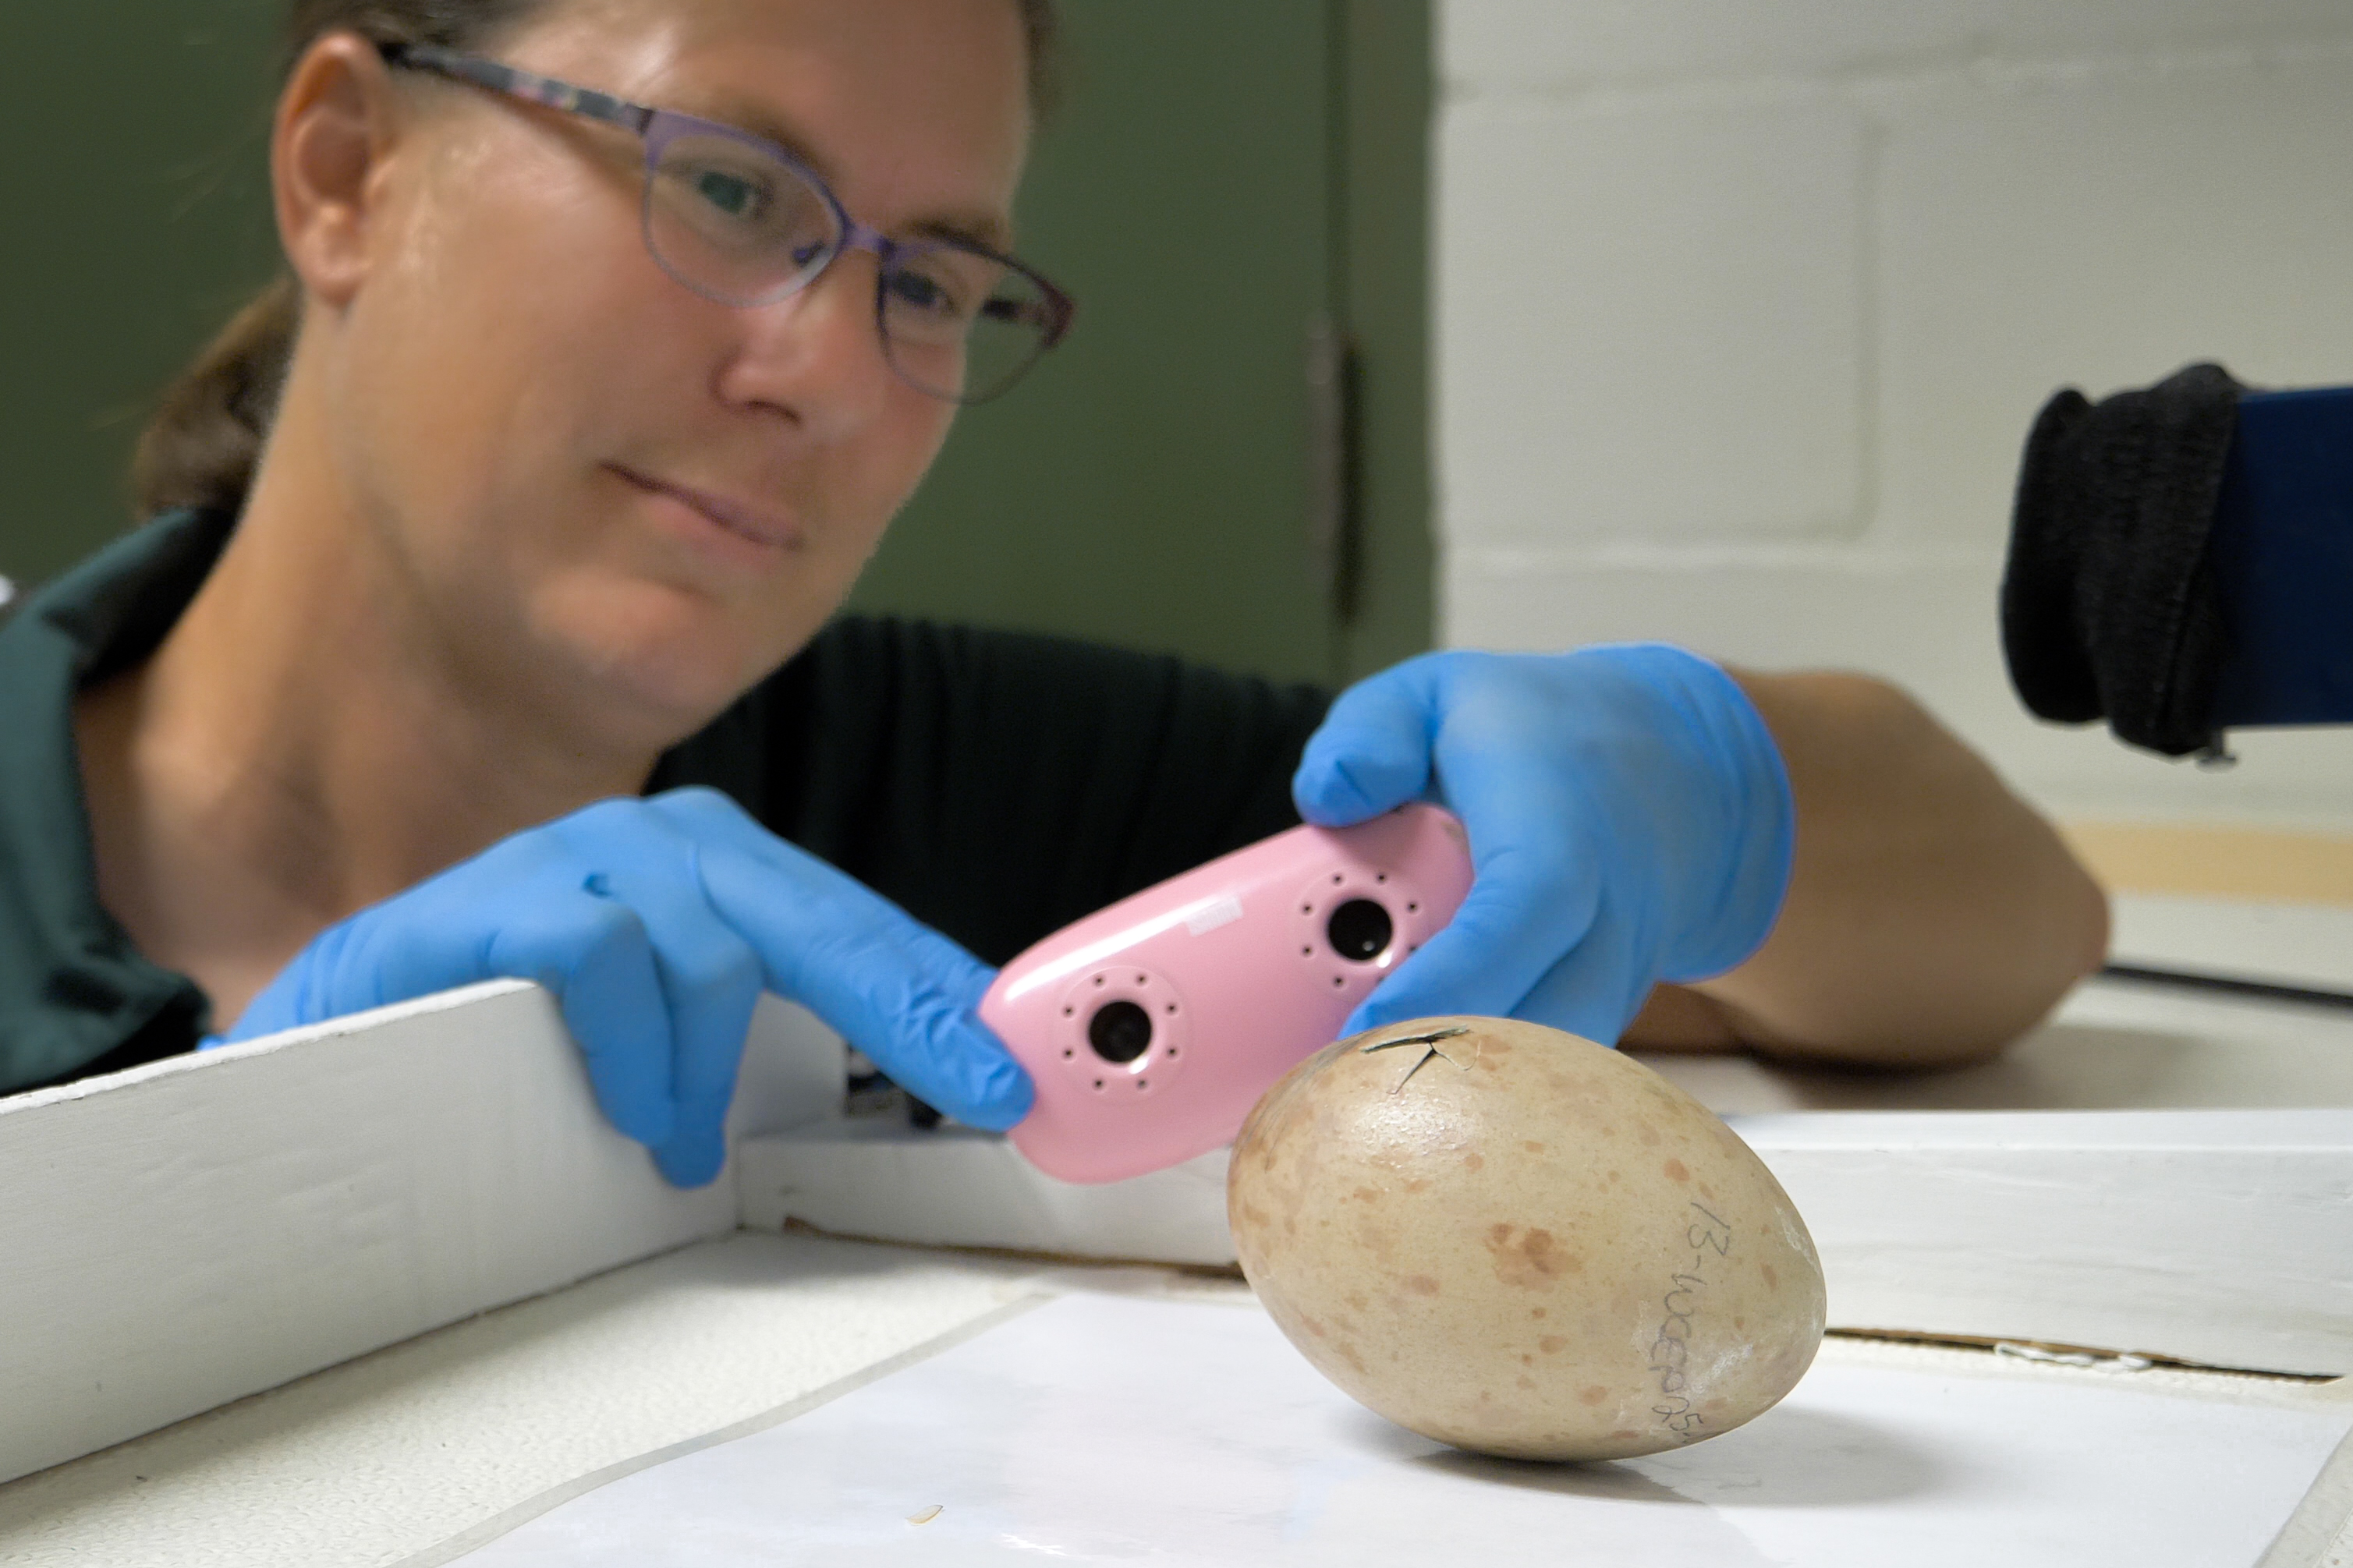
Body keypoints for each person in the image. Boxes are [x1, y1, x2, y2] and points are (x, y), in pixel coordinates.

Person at [0, 0, 2108, 1188]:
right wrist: (206, 1172)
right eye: (726, 187)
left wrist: (1701, 789)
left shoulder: (923, 810)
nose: (828, 370)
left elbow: (2006, 921)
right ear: (348, 172)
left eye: (930, 275)